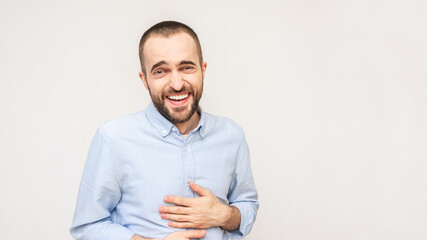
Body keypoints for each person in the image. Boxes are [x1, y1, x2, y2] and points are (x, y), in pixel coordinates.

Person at [70, 21, 258, 240]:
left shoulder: (232, 136)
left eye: (186, 67)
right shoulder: (113, 138)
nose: (177, 84)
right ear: (145, 80)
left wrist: (225, 215)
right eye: (161, 71)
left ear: (203, 70)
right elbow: (87, 226)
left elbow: (248, 204)